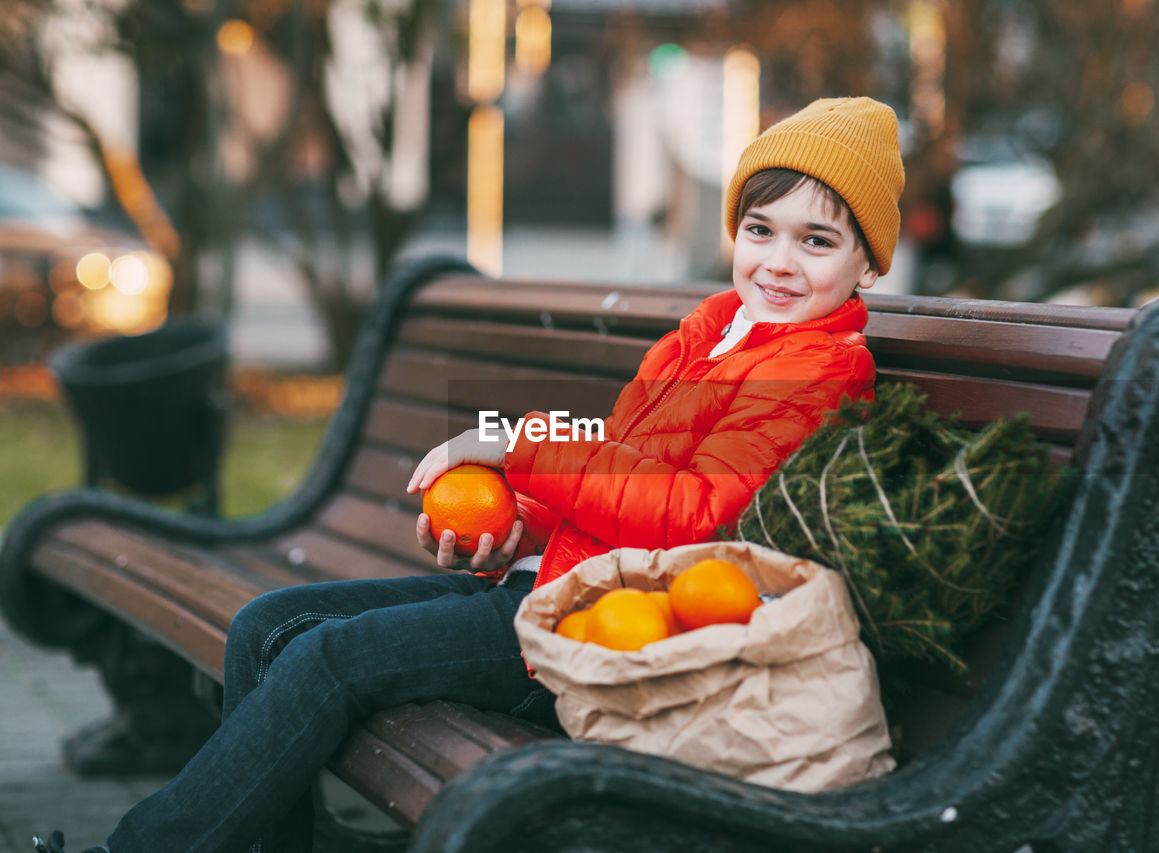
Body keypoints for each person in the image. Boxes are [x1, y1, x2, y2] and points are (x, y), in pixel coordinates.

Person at [34, 95, 905, 853]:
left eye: (816, 240)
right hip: (546, 588)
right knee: (267, 625)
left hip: (597, 636)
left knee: (324, 661)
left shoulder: (818, 368)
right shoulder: (712, 328)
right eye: (760, 229)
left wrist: (513, 444)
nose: (779, 262)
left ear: (867, 262)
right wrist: (509, 527)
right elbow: (617, 471)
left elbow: (690, 512)